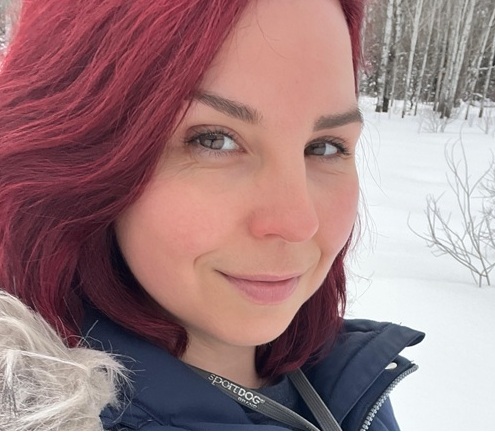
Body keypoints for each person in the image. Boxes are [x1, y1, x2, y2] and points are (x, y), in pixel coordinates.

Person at [0, 0, 425, 430]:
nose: (298, 224)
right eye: (214, 140)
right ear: (79, 152)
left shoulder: (346, 381)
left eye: (325, 147)